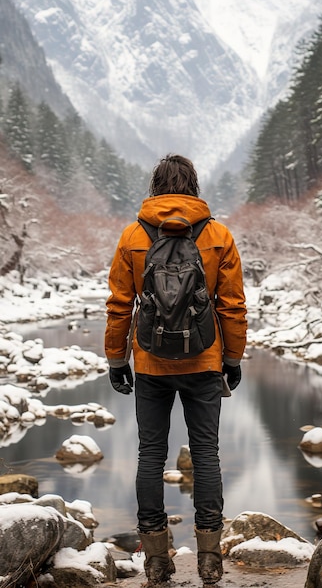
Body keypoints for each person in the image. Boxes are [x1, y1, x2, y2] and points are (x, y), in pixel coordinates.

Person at [105, 154, 247, 586]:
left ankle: (156, 562)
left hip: (149, 362)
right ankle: (209, 561)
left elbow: (119, 305)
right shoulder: (218, 234)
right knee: (205, 453)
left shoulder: (133, 234)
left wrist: (116, 359)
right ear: (194, 186)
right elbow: (232, 305)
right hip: (204, 359)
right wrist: (233, 358)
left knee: (151, 454)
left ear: (155, 186)